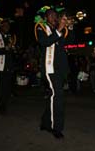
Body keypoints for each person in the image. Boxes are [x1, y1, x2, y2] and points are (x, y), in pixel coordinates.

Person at [35, 7, 74, 139]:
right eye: (51, 15)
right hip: (49, 68)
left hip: (61, 69)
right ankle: (55, 127)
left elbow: (69, 42)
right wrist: (58, 30)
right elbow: (45, 42)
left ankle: (45, 122)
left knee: (54, 96)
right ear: (46, 17)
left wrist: (70, 27)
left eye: (55, 15)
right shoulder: (40, 27)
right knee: (58, 95)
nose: (54, 17)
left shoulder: (60, 29)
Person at [0, 18, 17, 115]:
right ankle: (1, 105)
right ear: (0, 26)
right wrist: (6, 49)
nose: (7, 27)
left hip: (9, 65)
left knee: (7, 87)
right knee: (0, 87)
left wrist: (12, 49)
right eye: (4, 25)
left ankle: (4, 103)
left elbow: (13, 50)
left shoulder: (11, 36)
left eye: (8, 25)